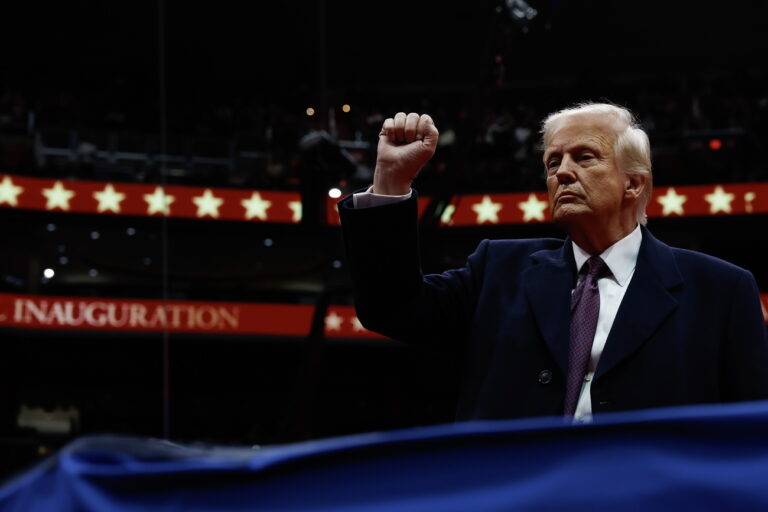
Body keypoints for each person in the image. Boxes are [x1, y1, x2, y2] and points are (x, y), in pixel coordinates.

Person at [338, 103, 768, 423]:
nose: (561, 173)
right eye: (552, 162)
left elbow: (750, 432)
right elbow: (391, 308)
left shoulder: (721, 291)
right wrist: (391, 182)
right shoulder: (498, 269)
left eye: (584, 157)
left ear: (633, 183)